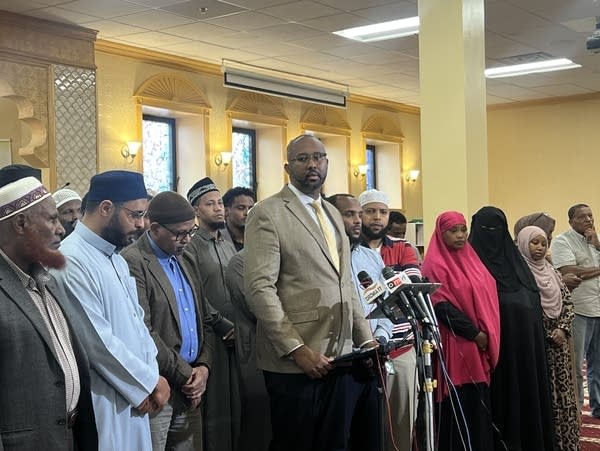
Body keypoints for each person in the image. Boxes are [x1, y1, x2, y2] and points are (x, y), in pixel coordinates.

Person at [244, 134, 379, 451]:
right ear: (288, 166)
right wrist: (296, 349)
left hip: (342, 356)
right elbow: (259, 289)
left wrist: (365, 339)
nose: (312, 164)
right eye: (303, 159)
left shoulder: (333, 213)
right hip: (296, 362)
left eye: (318, 157)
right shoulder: (268, 213)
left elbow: (345, 283)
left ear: (327, 163)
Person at [52, 170, 170, 451]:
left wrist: (153, 377)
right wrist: (146, 383)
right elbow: (97, 342)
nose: (142, 224)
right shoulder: (71, 259)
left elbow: (138, 325)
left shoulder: (115, 258)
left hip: (138, 393)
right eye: (135, 214)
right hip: (107, 399)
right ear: (106, 207)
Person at [0, 176, 97, 451]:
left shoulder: (47, 279)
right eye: (52, 220)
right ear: (21, 224)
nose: (61, 230)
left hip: (69, 437)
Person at [122, 191, 216, 450]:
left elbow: (203, 320)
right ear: (154, 229)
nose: (186, 240)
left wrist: (204, 367)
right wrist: (186, 376)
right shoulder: (133, 261)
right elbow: (143, 330)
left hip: (191, 385)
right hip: (159, 387)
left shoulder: (185, 256)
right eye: (179, 234)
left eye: (191, 231)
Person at [469, 206, 554, 451]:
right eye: (485, 229)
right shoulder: (473, 265)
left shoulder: (517, 265)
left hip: (527, 349)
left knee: (526, 397)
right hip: (495, 351)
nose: (491, 235)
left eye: (497, 229)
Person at [421, 211, 500, 450]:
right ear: (440, 234)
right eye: (452, 231)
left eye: (463, 230)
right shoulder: (434, 263)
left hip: (478, 342)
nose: (460, 236)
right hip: (456, 341)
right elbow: (440, 305)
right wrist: (475, 334)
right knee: (460, 401)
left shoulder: (471, 258)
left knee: (478, 403)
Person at [358, 188, 420, 451]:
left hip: (400, 346)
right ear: (359, 215)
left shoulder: (403, 248)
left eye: (382, 212)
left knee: (402, 420)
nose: (377, 218)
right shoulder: (349, 250)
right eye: (370, 211)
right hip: (361, 345)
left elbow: (410, 289)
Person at [184, 177, 240, 451]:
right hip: (212, 335)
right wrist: (222, 325)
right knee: (216, 407)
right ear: (196, 210)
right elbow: (194, 293)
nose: (219, 208)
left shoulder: (228, 243)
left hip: (238, 335)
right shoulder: (190, 245)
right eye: (210, 204)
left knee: (237, 405)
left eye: (220, 203)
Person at [517, 225, 580, 449]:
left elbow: (568, 302)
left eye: (544, 243)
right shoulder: (520, 273)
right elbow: (523, 310)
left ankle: (567, 442)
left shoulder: (551, 270)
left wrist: (562, 329)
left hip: (559, 345)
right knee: (545, 396)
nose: (540, 248)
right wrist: (545, 333)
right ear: (523, 243)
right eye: (534, 242)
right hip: (537, 345)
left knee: (564, 396)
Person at [551, 203, 600, 417]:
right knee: (576, 364)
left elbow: (584, 270)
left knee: (598, 364)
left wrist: (597, 244)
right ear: (571, 221)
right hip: (579, 309)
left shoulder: (596, 242)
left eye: (590, 215)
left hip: (598, 308)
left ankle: (598, 406)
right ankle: (577, 409)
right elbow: (569, 270)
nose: (589, 219)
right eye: (582, 217)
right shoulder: (563, 241)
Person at [224, 249, 272, 451]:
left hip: (288, 357)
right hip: (256, 355)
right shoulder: (240, 262)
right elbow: (260, 310)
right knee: (260, 429)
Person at [514, 212, 582, 291]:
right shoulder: (516, 261)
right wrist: (561, 282)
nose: (550, 237)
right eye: (549, 232)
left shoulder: (545, 261)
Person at [222, 186, 255, 251]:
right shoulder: (217, 239)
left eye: (251, 209)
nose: (247, 213)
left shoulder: (258, 237)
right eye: (241, 208)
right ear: (226, 212)